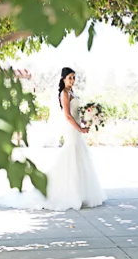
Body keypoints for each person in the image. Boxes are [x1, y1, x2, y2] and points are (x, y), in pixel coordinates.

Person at [42, 67, 106, 210]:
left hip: (76, 127)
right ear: (63, 79)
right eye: (70, 77)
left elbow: (76, 112)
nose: (72, 80)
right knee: (70, 155)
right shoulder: (64, 93)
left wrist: (86, 120)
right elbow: (68, 116)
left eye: (73, 77)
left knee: (79, 158)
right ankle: (62, 191)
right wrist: (79, 128)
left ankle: (80, 193)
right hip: (71, 129)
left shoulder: (72, 92)